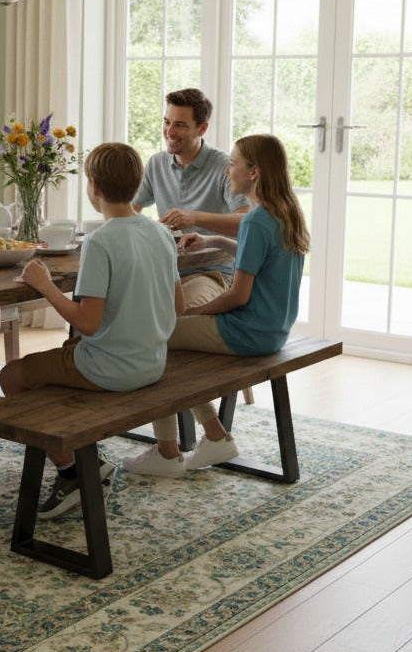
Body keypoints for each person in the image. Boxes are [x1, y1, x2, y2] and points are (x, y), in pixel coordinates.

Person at [0, 142, 185, 518]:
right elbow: (179, 306)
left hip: (108, 369)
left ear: (93, 186)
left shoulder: (100, 240)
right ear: (137, 185)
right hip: (152, 363)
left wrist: (44, 283)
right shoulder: (161, 233)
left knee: (11, 377)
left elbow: (87, 322)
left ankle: (71, 473)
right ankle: (83, 459)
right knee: (55, 362)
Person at [125, 134, 310, 477]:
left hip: (245, 332)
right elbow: (264, 260)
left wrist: (192, 313)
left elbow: (238, 296)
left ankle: (171, 452)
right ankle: (211, 434)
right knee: (168, 337)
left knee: (154, 335)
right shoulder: (283, 213)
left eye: (234, 164)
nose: (228, 171)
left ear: (253, 172)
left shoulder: (255, 221)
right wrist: (216, 241)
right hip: (273, 330)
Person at [134, 88, 250, 308]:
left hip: (213, 272)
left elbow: (247, 223)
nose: (169, 131)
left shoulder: (225, 167)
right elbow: (131, 209)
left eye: (180, 124)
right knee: (108, 304)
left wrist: (194, 218)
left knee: (173, 314)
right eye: (167, 122)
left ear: (202, 128)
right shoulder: (156, 164)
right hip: (166, 271)